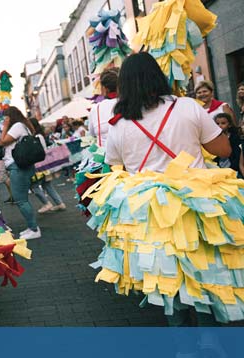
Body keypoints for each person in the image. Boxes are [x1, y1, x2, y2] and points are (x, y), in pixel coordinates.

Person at [106, 53, 230, 326]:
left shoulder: (118, 125)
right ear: (157, 76)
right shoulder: (188, 106)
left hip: (150, 212)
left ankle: (184, 347)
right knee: (204, 274)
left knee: (167, 280)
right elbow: (223, 149)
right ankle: (212, 339)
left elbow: (116, 169)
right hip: (197, 207)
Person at [0, 106, 42, 240]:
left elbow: (2, 141)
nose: (4, 120)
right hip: (20, 166)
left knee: (20, 199)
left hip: (18, 167)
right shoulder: (22, 125)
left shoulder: (17, 126)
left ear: (10, 117)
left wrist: (5, 126)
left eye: (5, 117)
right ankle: (31, 227)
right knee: (22, 199)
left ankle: (34, 229)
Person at [27, 118, 66, 213]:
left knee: (35, 186)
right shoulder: (40, 135)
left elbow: (39, 150)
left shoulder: (36, 136)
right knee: (47, 185)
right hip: (44, 163)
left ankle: (46, 203)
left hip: (39, 164)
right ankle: (59, 203)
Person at [88, 67, 119, 146]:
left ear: (105, 89)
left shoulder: (96, 109)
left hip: (104, 155)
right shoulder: (130, 102)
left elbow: (91, 133)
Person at [214, 113, 243, 177]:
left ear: (229, 125)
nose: (220, 126)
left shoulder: (235, 137)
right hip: (218, 168)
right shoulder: (213, 139)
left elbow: (237, 156)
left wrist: (232, 169)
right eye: (217, 124)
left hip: (234, 169)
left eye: (223, 123)